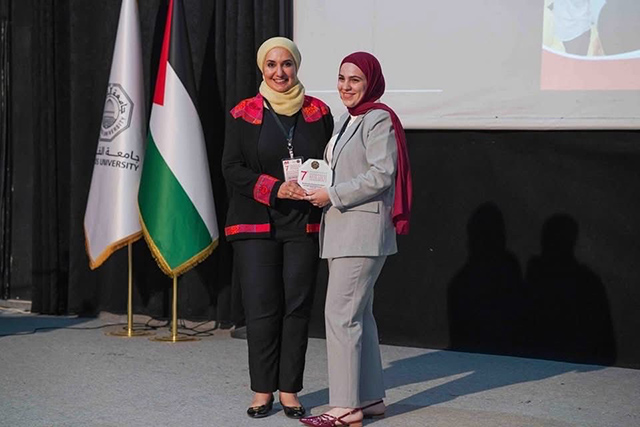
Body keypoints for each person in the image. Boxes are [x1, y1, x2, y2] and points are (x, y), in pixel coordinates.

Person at [222, 36, 334, 419]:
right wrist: (274, 188)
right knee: (261, 308)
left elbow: (329, 162)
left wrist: (321, 189)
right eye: (271, 65)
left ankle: (289, 390)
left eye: (286, 64)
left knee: (297, 307)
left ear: (296, 66)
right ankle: (262, 390)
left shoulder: (319, 112)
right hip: (255, 224)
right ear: (262, 68)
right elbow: (231, 168)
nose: (279, 72)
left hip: (303, 223)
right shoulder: (243, 113)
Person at [301, 52, 412, 427]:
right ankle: (369, 398)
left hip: (360, 233)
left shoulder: (378, 118)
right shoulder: (348, 119)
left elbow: (382, 174)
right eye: (342, 78)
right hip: (346, 231)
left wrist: (332, 195)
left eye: (355, 80)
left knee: (341, 316)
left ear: (371, 83)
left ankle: (345, 407)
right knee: (359, 314)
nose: (346, 86)